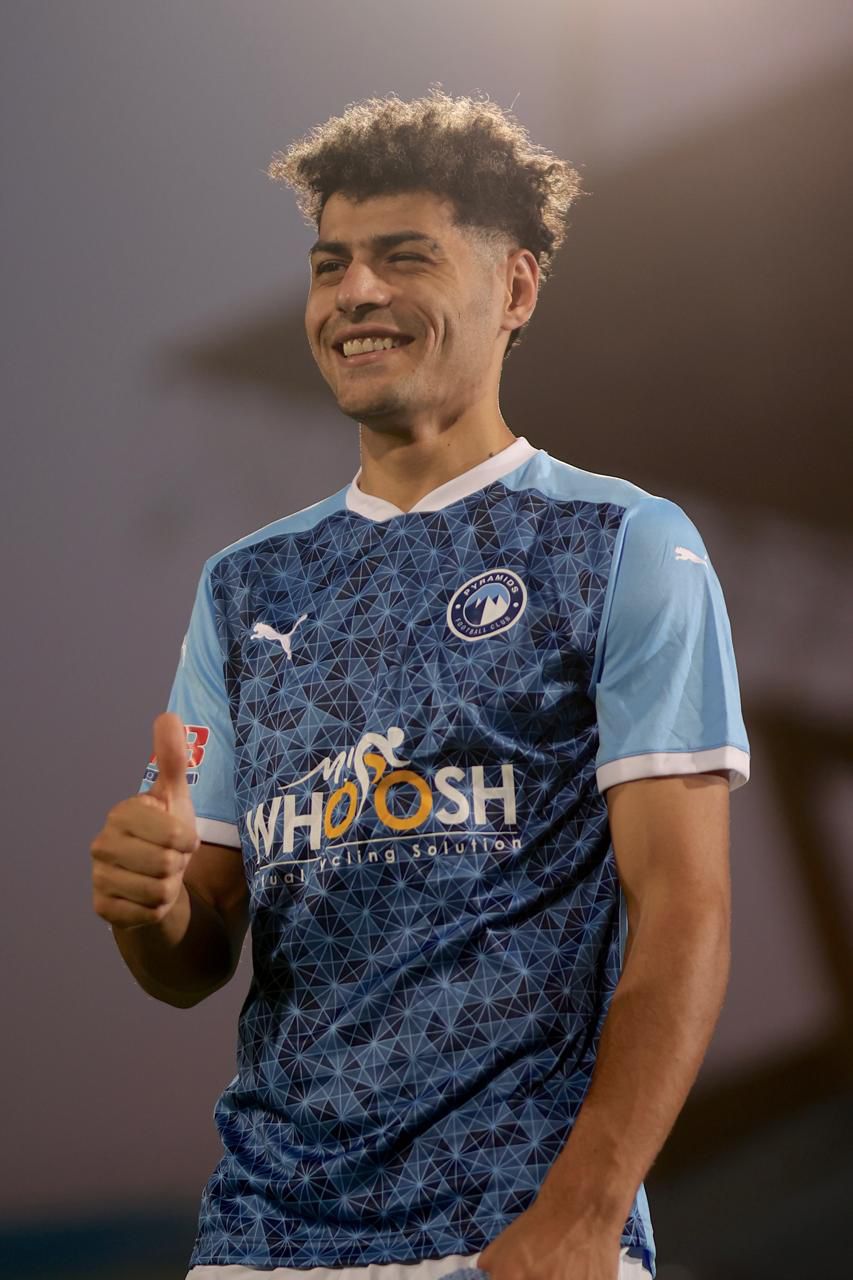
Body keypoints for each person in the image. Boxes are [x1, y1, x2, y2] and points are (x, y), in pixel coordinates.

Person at [90, 88, 750, 1280]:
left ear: (516, 288)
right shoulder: (245, 586)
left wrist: (584, 1211)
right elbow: (196, 953)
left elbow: (684, 908)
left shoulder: (620, 545)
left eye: (404, 257)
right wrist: (154, 903)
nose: (354, 292)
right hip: (261, 1238)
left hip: (511, 1234)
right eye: (329, 264)